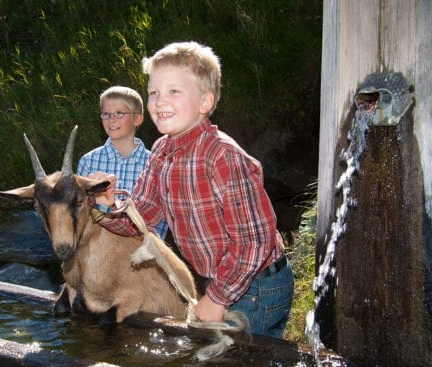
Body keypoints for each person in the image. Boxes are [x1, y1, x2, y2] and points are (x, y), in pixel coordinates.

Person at [89, 41, 294, 339]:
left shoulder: (221, 156)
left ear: (204, 103)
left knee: (242, 358)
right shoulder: (161, 152)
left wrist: (218, 298)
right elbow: (142, 217)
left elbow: (255, 240)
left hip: (257, 284)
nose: (159, 101)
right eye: (154, 92)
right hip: (221, 278)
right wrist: (109, 205)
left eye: (174, 91)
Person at [76, 85, 168, 239]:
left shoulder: (155, 164)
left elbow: (160, 220)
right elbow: (78, 213)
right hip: (98, 252)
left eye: (119, 113)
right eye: (106, 114)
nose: (111, 119)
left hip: (143, 250)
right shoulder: (89, 161)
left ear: (137, 119)